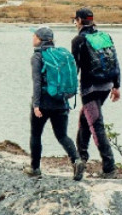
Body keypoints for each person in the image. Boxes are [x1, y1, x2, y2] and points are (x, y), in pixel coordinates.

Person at [26, 26, 86, 180]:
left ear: (40, 39)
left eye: (34, 36)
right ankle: (77, 160)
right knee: (62, 135)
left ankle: (35, 168)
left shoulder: (38, 57)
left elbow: (37, 82)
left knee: (36, 135)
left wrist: (36, 105)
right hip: (61, 102)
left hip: (44, 103)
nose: (33, 38)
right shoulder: (61, 54)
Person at [70, 8, 121, 178]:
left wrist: (68, 89)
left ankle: (109, 168)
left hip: (89, 88)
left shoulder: (78, 40)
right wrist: (116, 86)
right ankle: (81, 159)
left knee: (95, 124)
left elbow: (74, 68)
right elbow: (116, 62)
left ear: (78, 21)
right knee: (85, 119)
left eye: (75, 20)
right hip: (106, 86)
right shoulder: (105, 36)